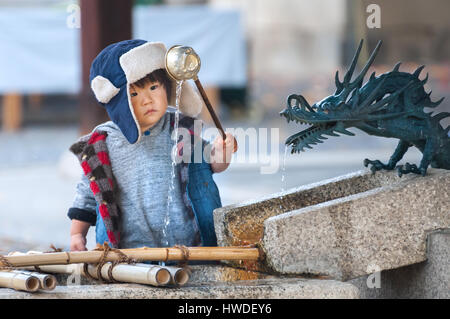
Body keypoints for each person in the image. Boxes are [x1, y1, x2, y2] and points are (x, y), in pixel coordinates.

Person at [67, 39, 235, 251]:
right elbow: (88, 194)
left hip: (186, 247)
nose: (147, 100)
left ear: (168, 87)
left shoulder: (179, 127)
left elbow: (210, 165)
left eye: (154, 87)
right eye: (134, 94)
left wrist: (222, 152)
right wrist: (76, 234)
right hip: (128, 251)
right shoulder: (104, 143)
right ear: (117, 103)